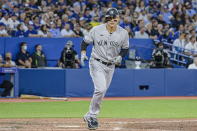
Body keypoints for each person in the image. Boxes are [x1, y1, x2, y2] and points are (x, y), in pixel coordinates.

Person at [81, 8, 129, 130]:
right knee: (100, 89)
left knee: (102, 91)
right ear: (106, 18)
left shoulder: (123, 33)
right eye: (109, 18)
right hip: (96, 62)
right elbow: (85, 42)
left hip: (111, 65)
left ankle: (88, 115)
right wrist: (82, 53)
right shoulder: (96, 30)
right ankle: (92, 116)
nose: (112, 20)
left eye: (114, 18)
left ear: (118, 19)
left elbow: (125, 48)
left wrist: (120, 56)